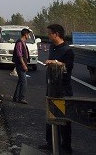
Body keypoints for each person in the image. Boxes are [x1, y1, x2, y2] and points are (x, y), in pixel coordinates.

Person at [38, 24, 74, 153]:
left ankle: (66, 145)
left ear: (56, 34)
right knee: (50, 115)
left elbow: (68, 67)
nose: (48, 35)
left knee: (64, 118)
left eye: (49, 33)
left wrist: (55, 62)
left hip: (63, 89)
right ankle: (51, 143)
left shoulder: (67, 50)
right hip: (51, 87)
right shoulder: (52, 47)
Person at [12, 28, 30, 104]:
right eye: (28, 34)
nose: (29, 36)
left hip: (21, 64)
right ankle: (21, 98)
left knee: (20, 81)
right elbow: (19, 55)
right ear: (25, 34)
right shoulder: (20, 42)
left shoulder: (23, 42)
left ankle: (16, 97)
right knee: (24, 81)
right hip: (20, 64)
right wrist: (23, 65)